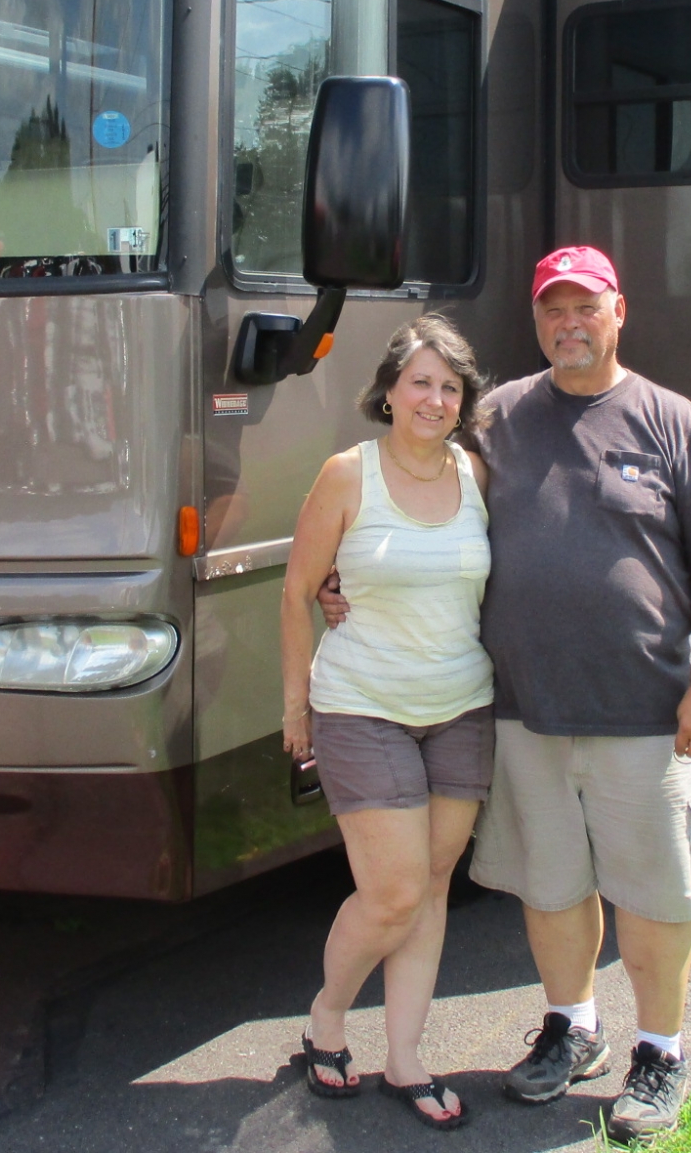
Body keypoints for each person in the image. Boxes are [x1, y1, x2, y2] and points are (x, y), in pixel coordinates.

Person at [322, 246, 691, 1142]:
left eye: (585, 307)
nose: (570, 323)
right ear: (536, 321)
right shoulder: (498, 420)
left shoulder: (671, 421)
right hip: (523, 711)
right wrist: (347, 579)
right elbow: (423, 498)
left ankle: (660, 1051)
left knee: (655, 895)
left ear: (618, 312)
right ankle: (573, 1026)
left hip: (645, 712)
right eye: (553, 309)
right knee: (551, 888)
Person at [279, 314, 497, 1132]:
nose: (435, 399)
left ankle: (406, 1057)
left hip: (461, 707)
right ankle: (327, 1017)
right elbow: (297, 591)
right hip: (363, 707)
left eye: (450, 387)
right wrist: (295, 706)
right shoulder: (348, 475)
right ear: (390, 393)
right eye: (421, 383)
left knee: (432, 886)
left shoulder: (475, 474)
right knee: (395, 889)